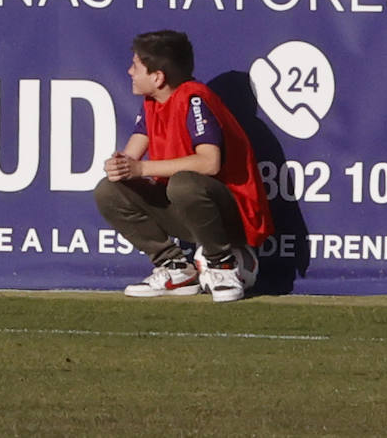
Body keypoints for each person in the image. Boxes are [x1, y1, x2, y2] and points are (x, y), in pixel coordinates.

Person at [94, 28, 273, 303]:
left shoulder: (195, 98)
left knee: (184, 183)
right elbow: (130, 159)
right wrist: (119, 167)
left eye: (136, 66)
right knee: (110, 190)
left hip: (232, 214)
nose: (130, 72)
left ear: (158, 77)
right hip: (188, 211)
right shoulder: (151, 103)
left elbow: (209, 163)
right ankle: (176, 269)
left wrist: (141, 169)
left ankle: (223, 265)